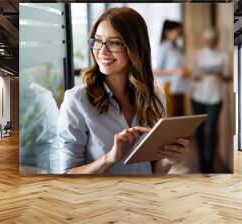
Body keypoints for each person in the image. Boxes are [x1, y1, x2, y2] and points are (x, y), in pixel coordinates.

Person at [55, 7, 190, 174]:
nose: (102, 51)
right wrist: (110, 158)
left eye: (114, 43)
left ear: (135, 47)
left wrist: (169, 159)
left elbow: (154, 170)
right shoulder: (76, 100)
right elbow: (67, 174)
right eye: (97, 41)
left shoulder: (155, 97)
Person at [191, 27, 229, 173]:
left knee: (210, 131)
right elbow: (193, 76)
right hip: (198, 97)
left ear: (217, 40)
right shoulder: (198, 55)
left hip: (215, 98)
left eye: (213, 40)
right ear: (205, 41)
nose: (210, 43)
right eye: (208, 40)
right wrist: (199, 74)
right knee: (199, 132)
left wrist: (220, 75)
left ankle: (209, 164)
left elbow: (228, 77)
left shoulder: (223, 55)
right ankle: (202, 164)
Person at [154, 20, 190, 116]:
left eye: (180, 32)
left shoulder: (178, 48)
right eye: (177, 32)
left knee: (180, 118)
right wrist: (176, 71)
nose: (180, 35)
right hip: (168, 87)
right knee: (170, 117)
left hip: (180, 87)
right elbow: (157, 71)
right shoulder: (163, 48)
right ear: (168, 32)